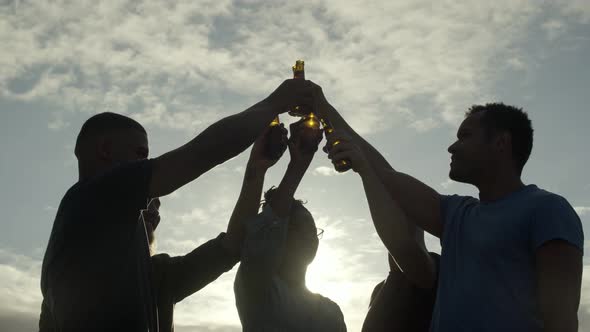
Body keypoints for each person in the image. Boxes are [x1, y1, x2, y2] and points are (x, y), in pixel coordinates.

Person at [39, 78, 316, 332]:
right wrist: (275, 103)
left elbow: (233, 245)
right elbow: (201, 153)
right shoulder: (88, 196)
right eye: (140, 154)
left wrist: (256, 170)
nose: (145, 164)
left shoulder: (153, 280)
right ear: (105, 151)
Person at [321, 96, 584, 331]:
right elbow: (386, 177)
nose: (452, 147)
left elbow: (560, 320)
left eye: (465, 136)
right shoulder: (457, 213)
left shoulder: (548, 209)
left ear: (501, 142)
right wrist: (324, 109)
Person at [318, 123, 439, 331]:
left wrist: (365, 169)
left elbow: (403, 245)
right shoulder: (381, 289)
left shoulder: (432, 274)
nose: (388, 214)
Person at [233, 119, 346, 332]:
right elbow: (266, 233)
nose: (309, 237)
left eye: (312, 230)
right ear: (278, 237)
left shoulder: (331, 311)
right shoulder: (257, 288)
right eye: (298, 230)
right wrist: (296, 166)